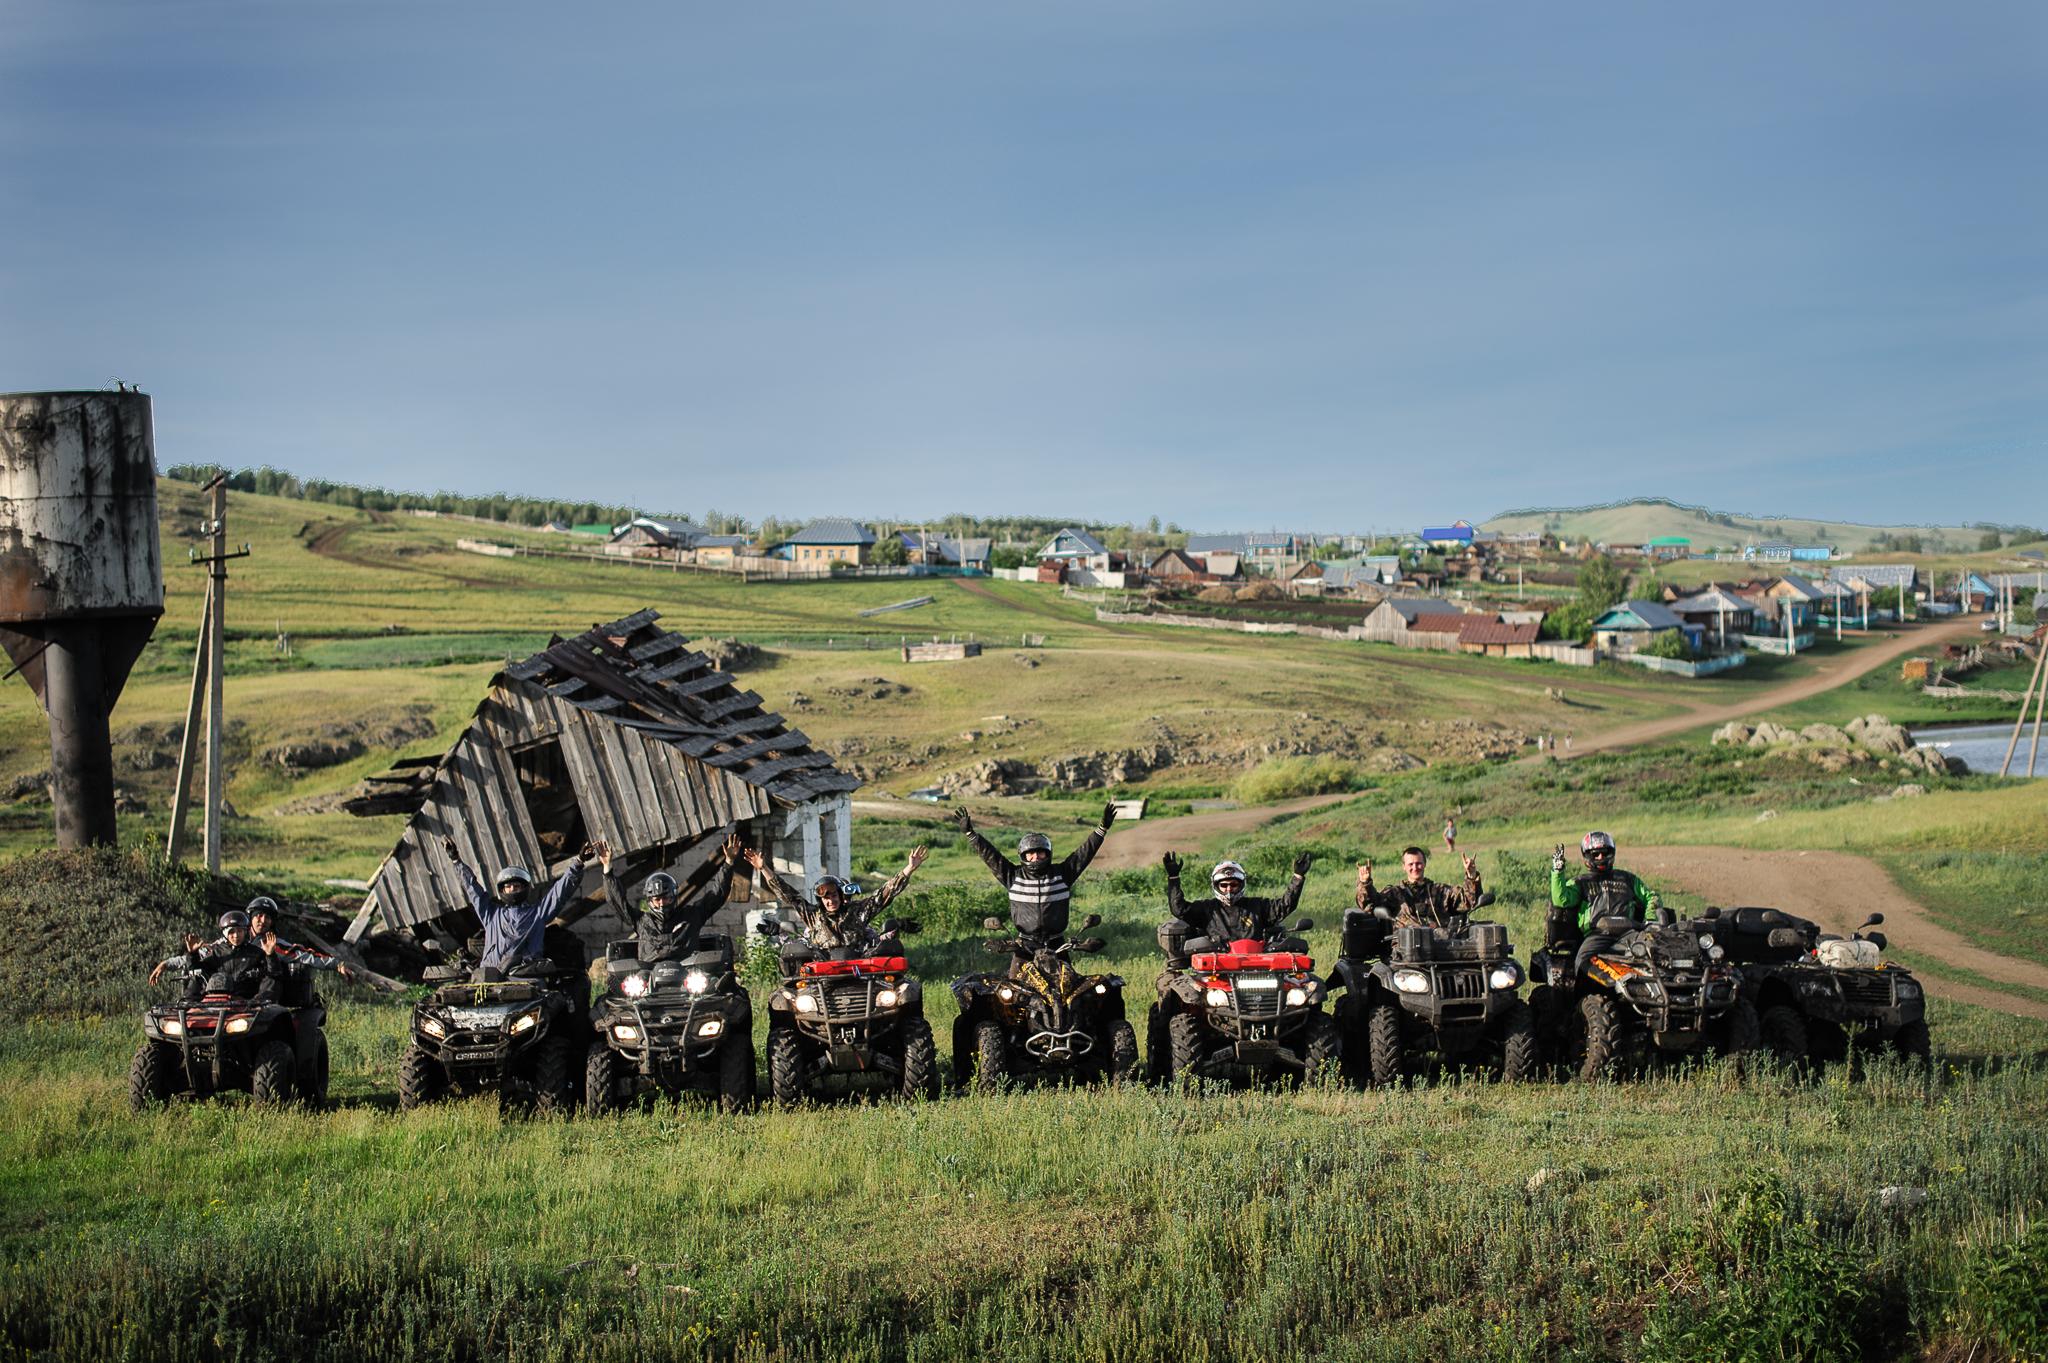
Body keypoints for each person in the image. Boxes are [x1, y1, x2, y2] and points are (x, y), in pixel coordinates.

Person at [952, 805, 1114, 953]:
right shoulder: (1013, 876)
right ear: (1023, 856)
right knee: (1011, 983)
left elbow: (1083, 855)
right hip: (1025, 946)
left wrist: (1101, 830)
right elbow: (991, 857)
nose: (1035, 857)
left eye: (1040, 852)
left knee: (1072, 984)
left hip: (1057, 945)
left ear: (1048, 854)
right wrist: (971, 834)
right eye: (1030, 853)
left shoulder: (1063, 874)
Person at [442, 834, 597, 981]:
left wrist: (578, 862)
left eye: (516, 885)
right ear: (501, 890)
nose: (512, 889)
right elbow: (473, 889)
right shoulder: (491, 914)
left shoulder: (538, 913)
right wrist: (456, 861)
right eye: (508, 886)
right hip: (490, 979)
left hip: (527, 980)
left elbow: (560, 892)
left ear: (525, 888)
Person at [745, 844, 929, 955]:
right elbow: (789, 895)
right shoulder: (813, 916)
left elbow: (883, 894)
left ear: (840, 896)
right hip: (824, 972)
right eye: (825, 898)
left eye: (834, 896)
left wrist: (909, 869)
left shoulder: (858, 912)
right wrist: (763, 869)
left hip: (858, 968)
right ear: (820, 900)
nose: (830, 901)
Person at [600, 834, 745, 962]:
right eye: (657, 900)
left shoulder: (691, 916)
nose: (662, 903)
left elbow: (717, 896)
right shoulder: (642, 921)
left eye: (666, 898)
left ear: (674, 896)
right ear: (650, 901)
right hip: (649, 977)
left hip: (688, 977)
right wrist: (607, 868)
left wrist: (728, 863)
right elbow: (617, 902)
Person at [1550, 831, 1667, 976]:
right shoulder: (1580, 882)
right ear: (1587, 856)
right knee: (1582, 960)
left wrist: (1650, 918)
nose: (1601, 858)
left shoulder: (1628, 879)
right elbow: (1561, 899)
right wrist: (1557, 872)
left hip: (1629, 933)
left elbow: (1652, 897)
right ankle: (1585, 995)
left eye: (1605, 853)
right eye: (1595, 854)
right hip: (1597, 934)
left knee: (1653, 953)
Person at [1163, 852, 1311, 948]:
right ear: (1216, 886)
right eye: (1224, 885)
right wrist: (1173, 878)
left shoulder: (1257, 906)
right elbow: (1179, 909)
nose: (1229, 889)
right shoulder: (1206, 908)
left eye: (1234, 885)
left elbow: (1285, 906)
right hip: (1216, 969)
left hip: (1254, 966)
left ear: (1241, 884)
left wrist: (1297, 878)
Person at [1355, 845, 1484, 928]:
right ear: (1404, 866)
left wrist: (1471, 876)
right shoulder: (1395, 893)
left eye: (1418, 863)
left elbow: (1467, 901)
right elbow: (1369, 905)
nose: (1415, 868)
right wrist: (1365, 883)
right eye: (1411, 864)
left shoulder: (1440, 891)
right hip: (1406, 953)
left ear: (1425, 864)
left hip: (1440, 948)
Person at [173, 910, 281, 1005]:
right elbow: (197, 970)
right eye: (232, 932)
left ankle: (261, 1004)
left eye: (239, 931)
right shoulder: (218, 952)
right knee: (196, 977)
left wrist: (270, 954)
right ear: (225, 934)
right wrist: (193, 954)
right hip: (217, 999)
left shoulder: (257, 953)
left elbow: (274, 972)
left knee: (271, 980)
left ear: (246, 931)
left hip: (247, 1001)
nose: (236, 936)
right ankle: (186, 1005)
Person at [246, 896, 358, 983]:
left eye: (268, 917)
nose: (263, 920)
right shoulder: (236, 937)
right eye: (259, 916)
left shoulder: (273, 945)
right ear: (251, 918)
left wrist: (337, 965)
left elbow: (305, 955)